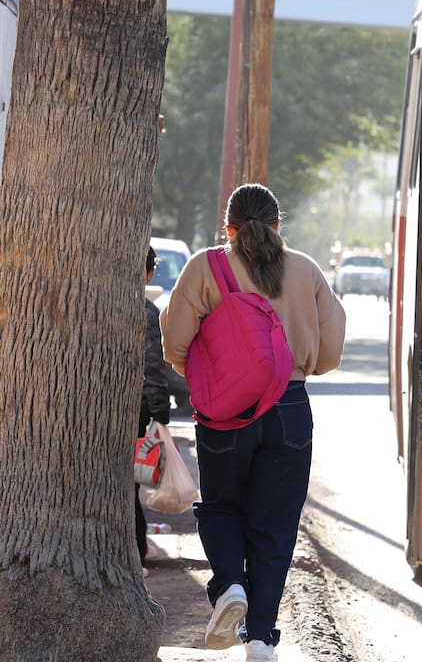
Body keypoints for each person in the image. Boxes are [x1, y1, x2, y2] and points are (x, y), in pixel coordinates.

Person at [161, 184, 347, 662]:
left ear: (228, 228)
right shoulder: (306, 270)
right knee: (275, 524)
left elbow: (175, 343)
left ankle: (230, 586)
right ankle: (261, 638)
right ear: (278, 225)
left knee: (221, 506)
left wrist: (217, 373)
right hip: (290, 408)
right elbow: (330, 352)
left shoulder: (205, 267)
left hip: (226, 411)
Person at [137, 245, 172, 568]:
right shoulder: (147, 312)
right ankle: (137, 548)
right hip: (137, 411)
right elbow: (152, 367)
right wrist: (161, 412)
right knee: (131, 482)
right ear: (149, 275)